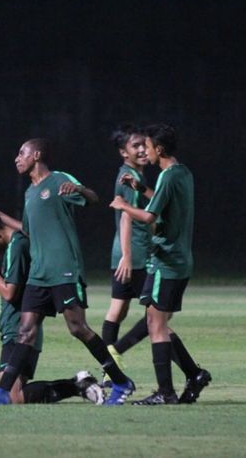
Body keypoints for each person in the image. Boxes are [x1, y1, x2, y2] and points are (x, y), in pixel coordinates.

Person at [0, 138, 135, 406]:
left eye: (22, 153)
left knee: (78, 327)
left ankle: (121, 382)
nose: (17, 158)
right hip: (39, 273)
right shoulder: (30, 193)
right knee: (26, 330)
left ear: (36, 155)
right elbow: (29, 231)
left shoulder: (57, 180)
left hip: (64, 269)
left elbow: (93, 199)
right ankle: (1, 392)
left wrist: (79, 188)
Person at [110, 124, 211, 405]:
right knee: (159, 323)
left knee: (155, 325)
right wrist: (140, 188)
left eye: (149, 146)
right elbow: (162, 201)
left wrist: (123, 206)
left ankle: (165, 392)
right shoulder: (183, 173)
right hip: (178, 260)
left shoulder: (167, 176)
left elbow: (149, 217)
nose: (145, 150)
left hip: (167, 261)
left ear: (160, 149)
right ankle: (194, 375)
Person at [0, 211, 104, 404]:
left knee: (12, 396)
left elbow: (9, 293)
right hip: (15, 328)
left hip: (19, 328)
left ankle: (77, 385)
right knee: (12, 394)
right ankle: (78, 384)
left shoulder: (17, 246)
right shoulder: (16, 244)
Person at [100, 124, 153, 386]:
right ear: (124, 152)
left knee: (117, 310)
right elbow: (126, 217)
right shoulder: (128, 176)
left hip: (124, 252)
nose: (143, 149)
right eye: (136, 146)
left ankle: (110, 369)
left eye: (145, 144)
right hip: (135, 255)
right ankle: (115, 352)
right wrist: (128, 256)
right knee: (157, 313)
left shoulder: (131, 175)